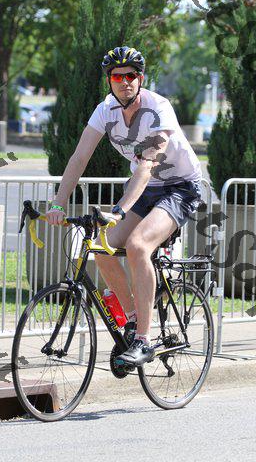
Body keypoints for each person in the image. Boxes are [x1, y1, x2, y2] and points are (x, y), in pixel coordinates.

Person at [47, 46, 202, 366]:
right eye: (117, 77)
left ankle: (144, 340)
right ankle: (132, 320)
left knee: (138, 244)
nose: (124, 82)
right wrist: (58, 204)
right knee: (102, 247)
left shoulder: (158, 108)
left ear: (140, 79)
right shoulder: (105, 110)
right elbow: (79, 157)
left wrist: (119, 211)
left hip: (180, 187)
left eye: (131, 75)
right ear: (110, 81)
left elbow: (147, 165)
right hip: (145, 189)